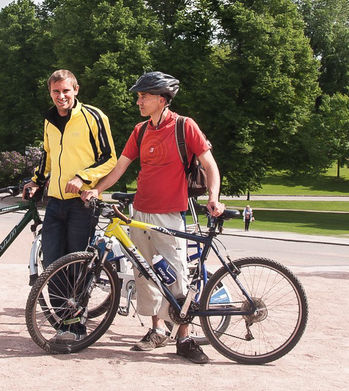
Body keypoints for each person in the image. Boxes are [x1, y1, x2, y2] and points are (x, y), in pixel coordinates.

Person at [81, 71, 225, 364]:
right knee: (145, 273)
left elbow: (210, 165)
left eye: (143, 96)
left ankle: (183, 337)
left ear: (161, 99)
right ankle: (157, 330)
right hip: (140, 212)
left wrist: (214, 197)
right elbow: (120, 168)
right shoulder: (140, 131)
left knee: (177, 274)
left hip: (171, 213)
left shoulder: (185, 127)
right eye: (139, 96)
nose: (138, 101)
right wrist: (96, 189)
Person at [23, 69, 117, 342]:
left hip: (82, 203)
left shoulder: (93, 117)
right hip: (55, 202)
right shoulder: (49, 119)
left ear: (76, 89)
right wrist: (36, 181)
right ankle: (64, 324)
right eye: (56, 91)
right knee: (52, 264)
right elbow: (48, 156)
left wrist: (83, 178)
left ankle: (76, 327)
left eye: (66, 90)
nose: (61, 96)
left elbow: (109, 158)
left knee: (78, 265)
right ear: (50, 92)